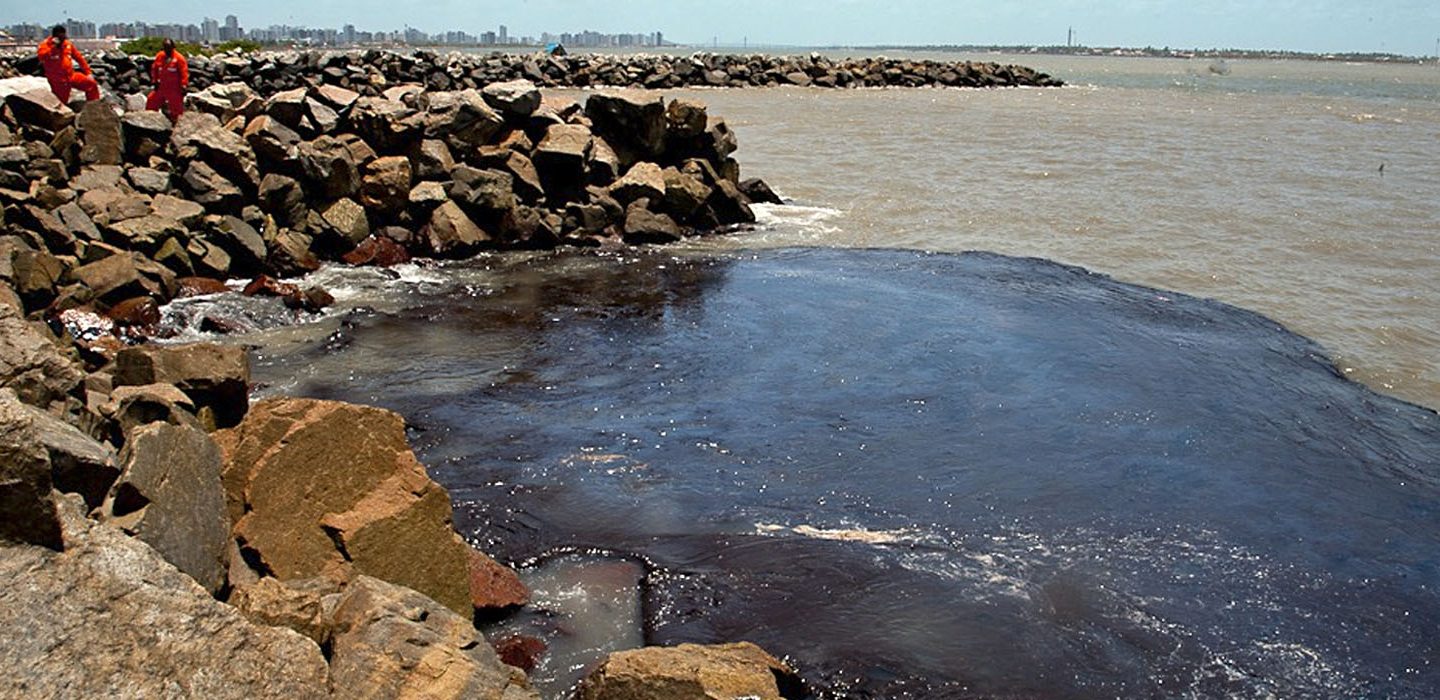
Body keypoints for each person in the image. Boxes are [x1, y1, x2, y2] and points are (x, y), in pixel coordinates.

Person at [37, 25, 101, 103]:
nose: (62, 40)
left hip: (71, 76)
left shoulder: (67, 44)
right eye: (60, 38)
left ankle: (94, 106)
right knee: (61, 102)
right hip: (58, 80)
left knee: (91, 85)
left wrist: (88, 73)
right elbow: (42, 57)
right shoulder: (45, 45)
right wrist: (54, 47)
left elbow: (79, 58)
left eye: (63, 37)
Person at [146, 38, 189, 121]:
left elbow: (184, 72)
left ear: (173, 47)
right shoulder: (160, 56)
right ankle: (150, 121)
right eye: (165, 48)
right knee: (151, 101)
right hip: (161, 86)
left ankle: (177, 124)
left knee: (176, 109)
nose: (167, 50)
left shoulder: (179, 58)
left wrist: (184, 85)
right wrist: (155, 81)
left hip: (174, 88)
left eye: (169, 48)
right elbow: (154, 69)